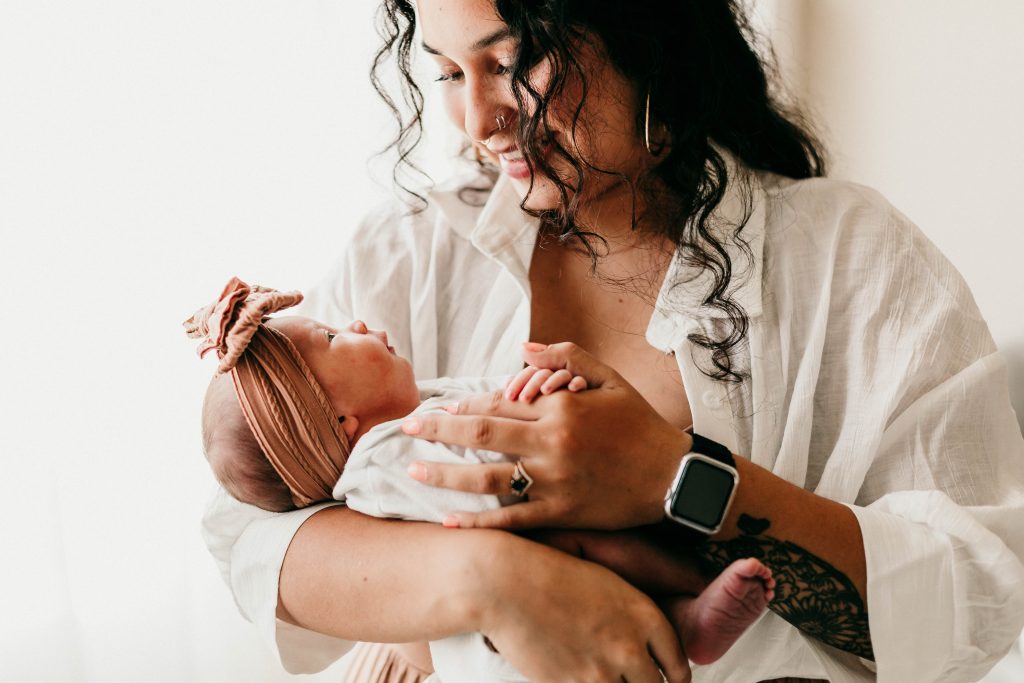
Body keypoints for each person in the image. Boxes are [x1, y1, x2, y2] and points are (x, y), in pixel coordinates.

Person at [199, 0, 1024, 681]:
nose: (478, 120)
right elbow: (251, 527)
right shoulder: (415, 247)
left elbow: (974, 594)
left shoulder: (854, 260)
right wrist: (496, 582)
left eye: (513, 61)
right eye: (449, 72)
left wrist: (675, 476)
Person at [189, 277, 777, 679]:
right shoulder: (383, 460)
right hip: (509, 654)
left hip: (546, 604)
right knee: (585, 545)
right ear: (343, 422)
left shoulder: (426, 401)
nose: (359, 322)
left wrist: (537, 394)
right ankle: (688, 607)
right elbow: (474, 473)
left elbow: (492, 400)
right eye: (336, 337)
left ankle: (688, 613)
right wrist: (547, 454)